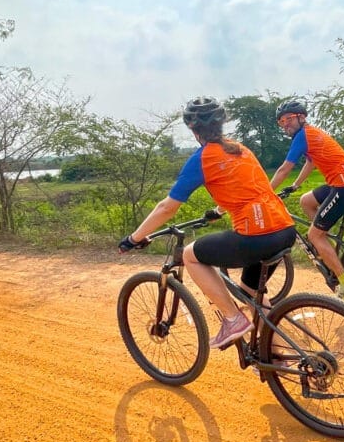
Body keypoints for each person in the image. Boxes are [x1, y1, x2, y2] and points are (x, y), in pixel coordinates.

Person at [119, 96, 296, 349]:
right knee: (250, 291)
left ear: (192, 128)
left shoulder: (202, 158)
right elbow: (250, 188)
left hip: (255, 235)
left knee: (191, 255)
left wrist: (134, 238)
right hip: (284, 229)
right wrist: (219, 210)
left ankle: (233, 319)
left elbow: (167, 207)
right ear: (222, 123)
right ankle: (279, 353)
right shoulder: (240, 149)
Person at [268, 100, 344, 301]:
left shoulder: (302, 136)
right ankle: (325, 243)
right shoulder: (311, 133)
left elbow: (284, 168)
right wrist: (295, 185)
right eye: (281, 122)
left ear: (301, 117)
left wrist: (265, 193)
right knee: (306, 201)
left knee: (314, 236)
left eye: (288, 119)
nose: (285, 124)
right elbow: (311, 161)